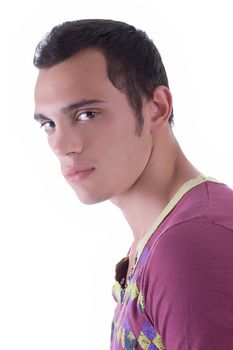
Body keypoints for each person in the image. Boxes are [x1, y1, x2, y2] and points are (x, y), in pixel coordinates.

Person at [33, 19, 233, 349]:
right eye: (49, 124)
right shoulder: (163, 235)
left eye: (86, 114)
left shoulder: (191, 244)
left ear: (157, 108)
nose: (62, 145)